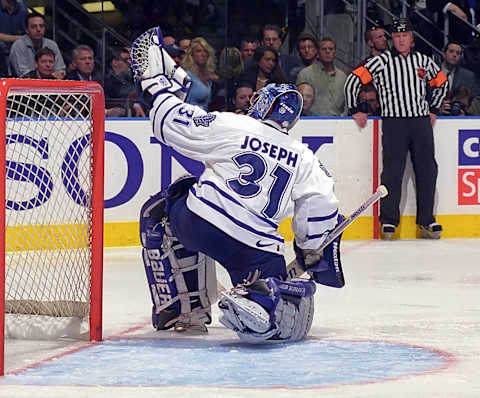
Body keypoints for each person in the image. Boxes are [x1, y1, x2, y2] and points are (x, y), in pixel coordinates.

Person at [131, 26, 345, 343]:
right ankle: (261, 297)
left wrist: (159, 86)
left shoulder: (236, 123)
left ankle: (181, 309)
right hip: (257, 249)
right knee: (280, 313)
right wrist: (310, 249)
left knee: (161, 210)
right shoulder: (305, 157)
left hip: (204, 223)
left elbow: (170, 125)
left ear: (264, 107)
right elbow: (320, 209)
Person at [344, 18, 448, 240]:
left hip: (420, 122)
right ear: (393, 39)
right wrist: (355, 108)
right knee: (392, 172)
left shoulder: (423, 61)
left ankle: (426, 219)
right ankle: (389, 221)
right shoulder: (381, 62)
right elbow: (353, 80)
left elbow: (441, 82)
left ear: (411, 39)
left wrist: (434, 109)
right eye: (397, 36)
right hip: (394, 122)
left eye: (405, 36)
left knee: (427, 170)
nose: (401, 40)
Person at [66, 44, 127, 118]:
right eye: (83, 59)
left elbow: (114, 98)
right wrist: (106, 112)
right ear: (74, 63)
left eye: (90, 58)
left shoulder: (101, 78)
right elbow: (74, 105)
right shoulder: (69, 80)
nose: (88, 62)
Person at [296, 37, 347, 116]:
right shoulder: (305, 74)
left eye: (330, 49)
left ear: (335, 53)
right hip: (312, 122)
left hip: (338, 122)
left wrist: (343, 117)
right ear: (318, 53)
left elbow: (346, 104)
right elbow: (298, 101)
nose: (327, 51)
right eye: (324, 49)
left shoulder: (342, 76)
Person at [9, 12, 65, 78]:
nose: (38, 29)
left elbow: (60, 71)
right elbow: (24, 75)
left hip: (50, 84)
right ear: (27, 30)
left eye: (41, 26)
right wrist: (51, 75)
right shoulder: (18, 46)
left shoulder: (52, 45)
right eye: (34, 27)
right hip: (23, 86)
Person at [104, 48, 146, 117]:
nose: (130, 63)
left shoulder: (131, 79)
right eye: (126, 60)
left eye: (130, 60)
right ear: (115, 62)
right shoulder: (107, 82)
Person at [181, 36, 218, 111]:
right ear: (192, 54)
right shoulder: (187, 76)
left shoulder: (208, 78)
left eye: (205, 51)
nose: (203, 54)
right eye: (198, 51)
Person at [0, 0, 28, 77]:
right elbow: (26, 37)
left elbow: (28, 33)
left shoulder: (22, 8)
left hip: (18, 50)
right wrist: (21, 38)